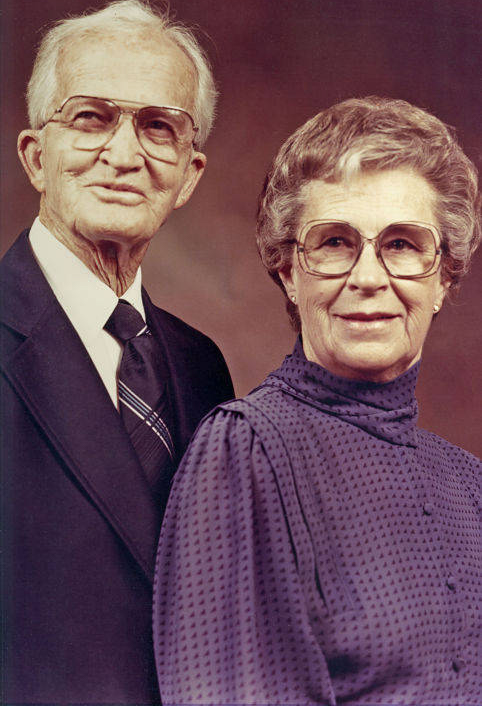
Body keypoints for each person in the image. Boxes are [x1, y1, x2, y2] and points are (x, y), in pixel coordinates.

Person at [153, 97, 481, 705]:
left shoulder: (470, 484)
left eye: (404, 245)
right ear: (286, 269)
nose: (368, 277)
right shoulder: (246, 451)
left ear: (445, 277)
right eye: (334, 242)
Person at [0, 0, 234, 705]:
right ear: (37, 157)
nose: (125, 154)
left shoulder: (202, 365)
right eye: (91, 117)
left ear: (189, 174)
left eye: (157, 127)